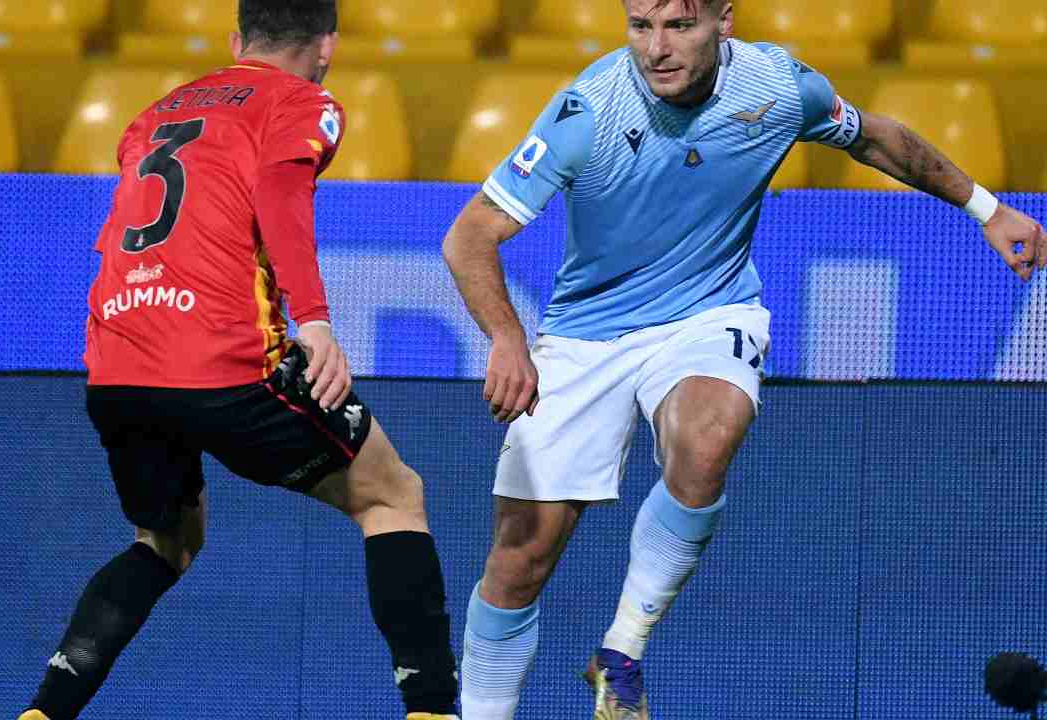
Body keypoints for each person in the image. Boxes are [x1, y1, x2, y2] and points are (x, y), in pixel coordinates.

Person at [440, 1, 1047, 718]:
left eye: (678, 26)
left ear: (722, 22)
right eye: (640, 27)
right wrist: (509, 338)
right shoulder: (586, 112)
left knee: (709, 435)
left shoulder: (777, 87)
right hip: (586, 336)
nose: (656, 48)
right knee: (520, 563)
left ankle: (621, 652)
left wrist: (985, 206)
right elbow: (470, 235)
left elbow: (876, 140)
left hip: (709, 311)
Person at [18, 2, 460, 718]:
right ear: (327, 47)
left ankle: (43, 713)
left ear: (235, 43)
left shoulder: (156, 112)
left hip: (116, 363)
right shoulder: (304, 101)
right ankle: (435, 710)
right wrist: (313, 321)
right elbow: (281, 193)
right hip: (221, 360)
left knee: (165, 541)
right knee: (392, 496)